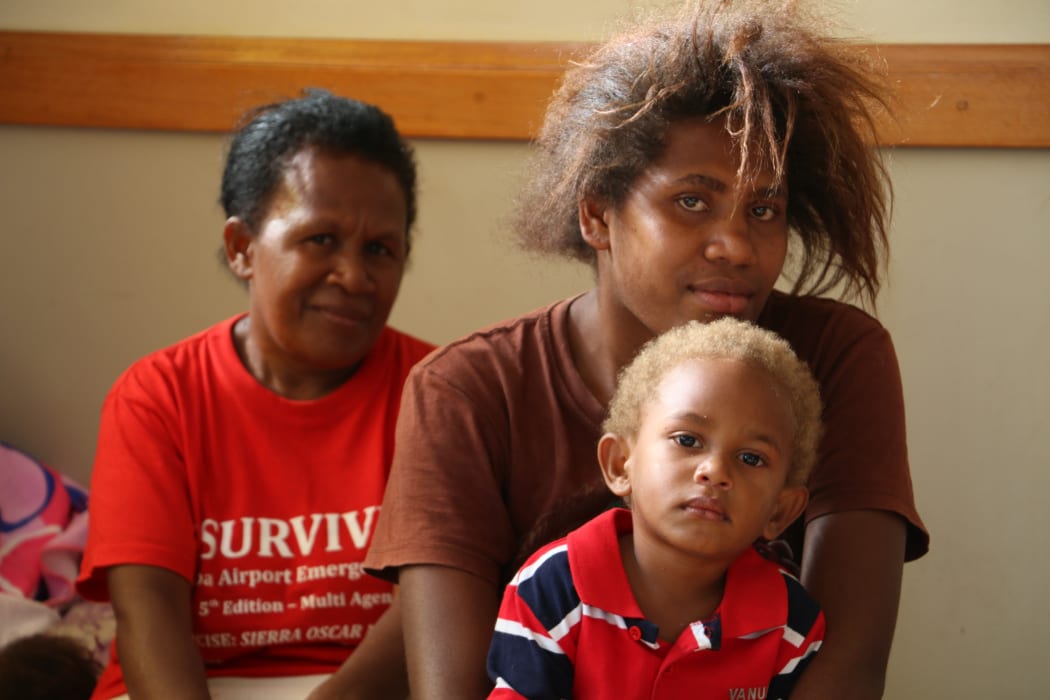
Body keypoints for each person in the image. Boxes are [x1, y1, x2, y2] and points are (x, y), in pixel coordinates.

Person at [365, 1, 929, 697]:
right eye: (693, 201)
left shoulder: (836, 357)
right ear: (598, 213)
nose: (738, 247)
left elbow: (845, 671)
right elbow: (454, 689)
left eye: (764, 208)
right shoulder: (466, 393)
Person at [76, 89, 434, 700]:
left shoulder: (437, 391)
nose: (353, 276)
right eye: (320, 239)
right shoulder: (157, 397)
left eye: (380, 249)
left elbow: (425, 618)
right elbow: (148, 613)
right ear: (243, 248)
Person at [486, 318, 825, 699]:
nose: (714, 471)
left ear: (780, 510)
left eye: (750, 457)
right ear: (620, 464)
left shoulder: (790, 623)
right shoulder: (553, 589)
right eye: (687, 439)